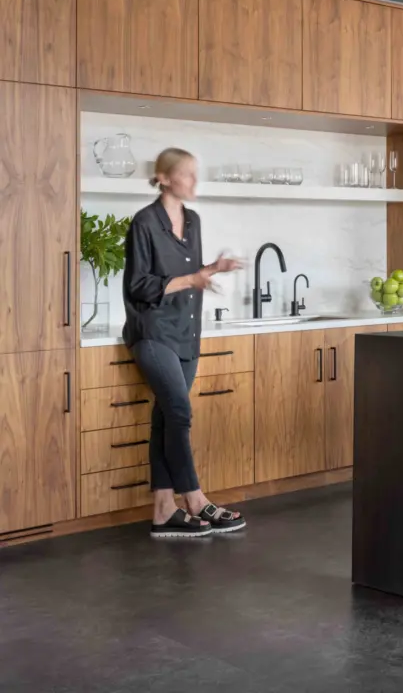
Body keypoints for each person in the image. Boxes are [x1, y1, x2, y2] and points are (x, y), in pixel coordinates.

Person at [123, 148, 244, 538]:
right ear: (163, 177)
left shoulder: (192, 221)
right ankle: (195, 498)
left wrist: (211, 270)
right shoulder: (144, 222)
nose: (194, 181)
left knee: (165, 416)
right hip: (153, 332)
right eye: (187, 175)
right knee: (179, 412)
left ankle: (163, 510)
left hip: (186, 333)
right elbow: (139, 287)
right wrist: (193, 280)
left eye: (195, 174)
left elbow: (188, 275)